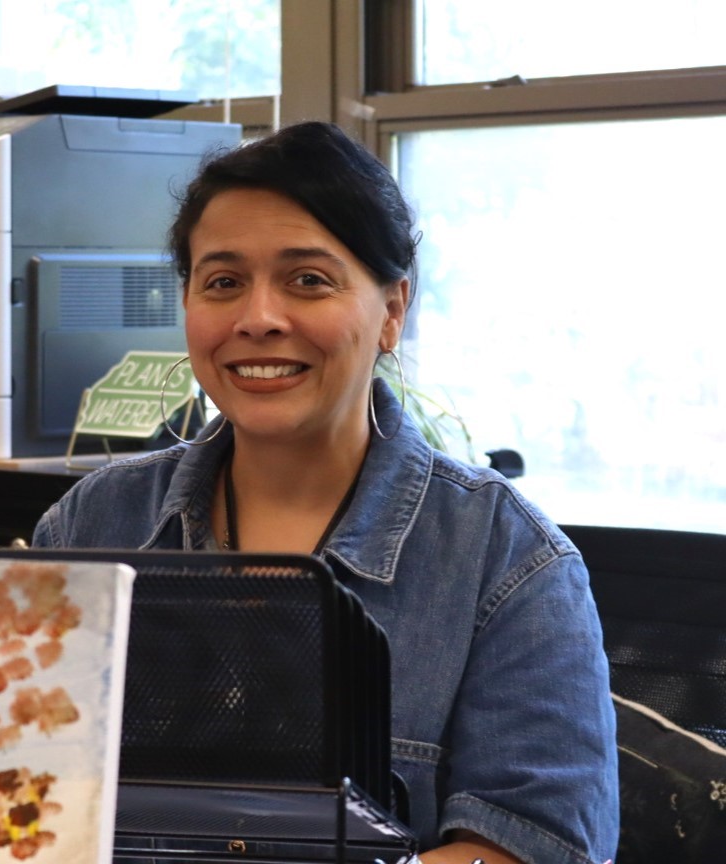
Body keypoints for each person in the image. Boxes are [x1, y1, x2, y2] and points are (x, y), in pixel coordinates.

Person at [32, 121, 619, 864]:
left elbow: (533, 846)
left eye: (308, 280)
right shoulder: (92, 525)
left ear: (392, 310)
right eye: (222, 282)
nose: (258, 318)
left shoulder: (507, 564)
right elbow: (15, 794)